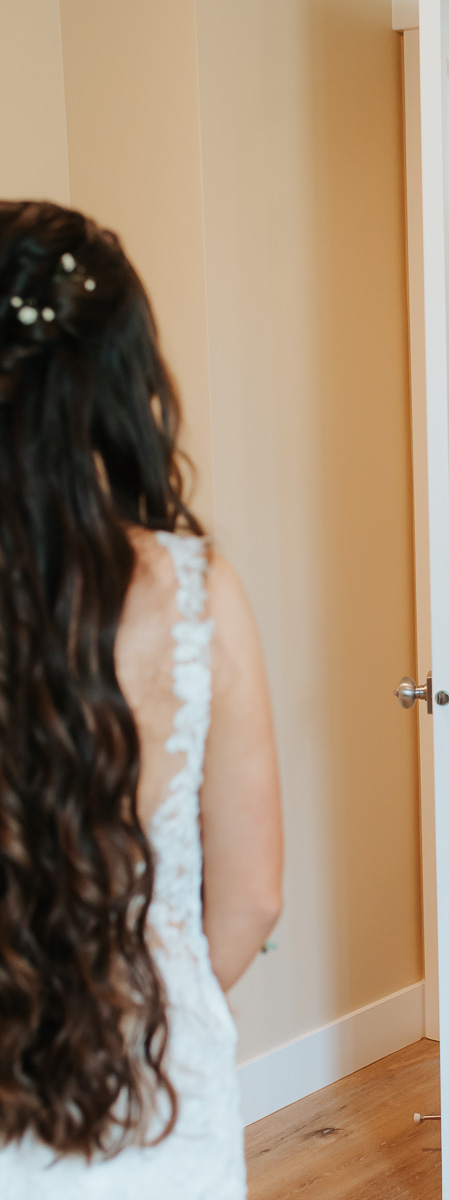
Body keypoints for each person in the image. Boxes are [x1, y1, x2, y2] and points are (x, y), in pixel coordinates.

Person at [0, 200, 283, 1197]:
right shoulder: (194, 591)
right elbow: (250, 899)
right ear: (123, 384)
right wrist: (157, 1006)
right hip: (148, 1090)